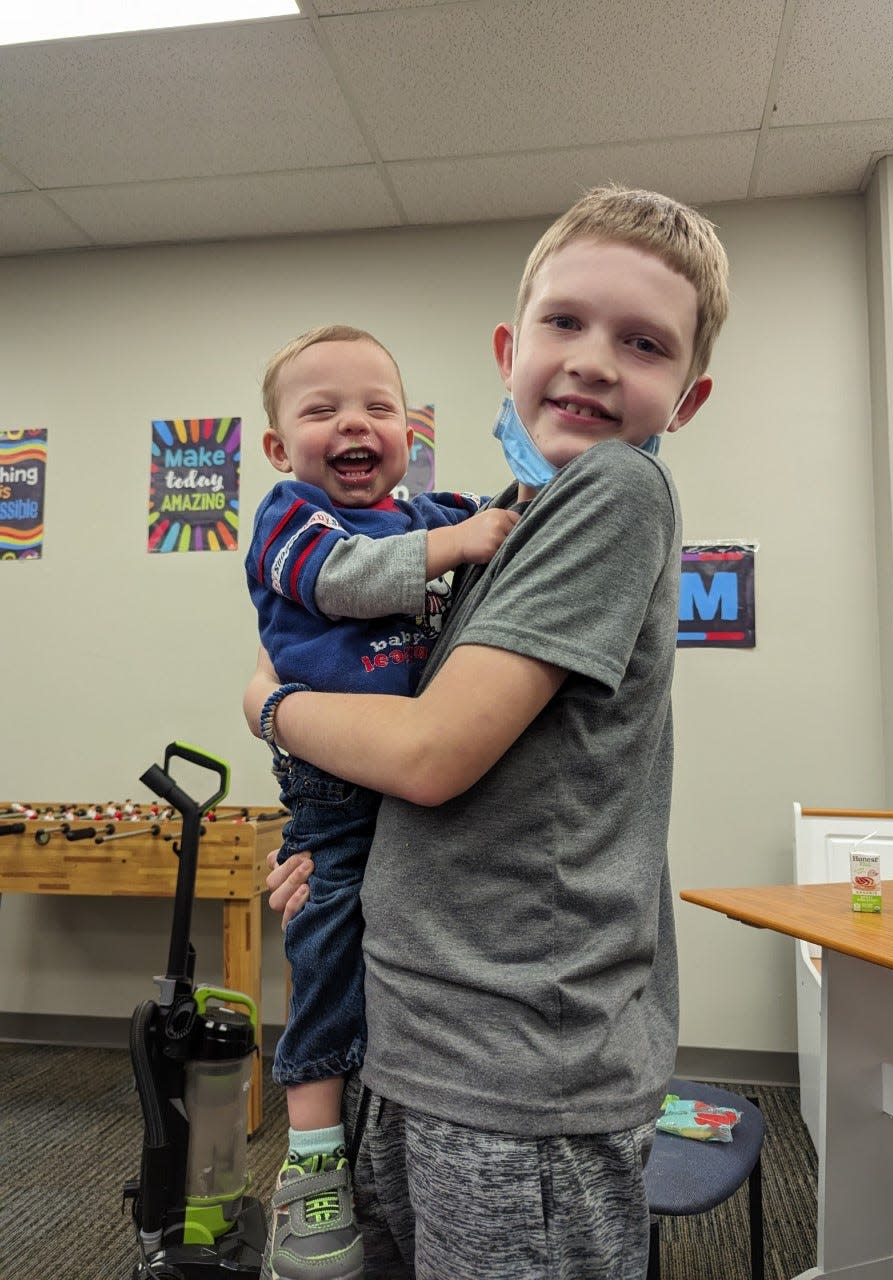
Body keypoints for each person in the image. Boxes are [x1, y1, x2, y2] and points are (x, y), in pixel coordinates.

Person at [247, 184, 730, 1279]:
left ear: (686, 398)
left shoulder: (614, 489)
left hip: (515, 1067)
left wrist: (267, 708)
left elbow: (430, 751)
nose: (596, 360)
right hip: (418, 1028)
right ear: (512, 347)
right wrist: (336, 860)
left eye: (643, 342)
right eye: (566, 323)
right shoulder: (499, 518)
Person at [245, 323, 519, 1280]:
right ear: (281, 448)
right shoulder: (289, 521)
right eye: (321, 411)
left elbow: (506, 520)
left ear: (411, 431)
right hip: (334, 784)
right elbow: (343, 582)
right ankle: (311, 1161)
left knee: (399, 953)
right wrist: (458, 540)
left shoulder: (427, 510)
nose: (353, 424)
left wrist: (515, 493)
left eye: (378, 408)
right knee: (324, 951)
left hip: (414, 778)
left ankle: (379, 1123)